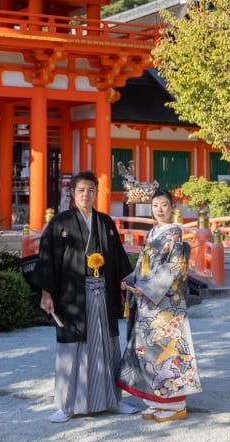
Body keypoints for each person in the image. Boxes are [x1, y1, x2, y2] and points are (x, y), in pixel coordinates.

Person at [36, 170, 139, 423]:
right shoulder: (60, 223)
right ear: (73, 193)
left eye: (91, 190)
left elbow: (118, 259)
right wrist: (46, 293)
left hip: (103, 293)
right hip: (73, 296)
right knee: (73, 348)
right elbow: (47, 260)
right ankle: (67, 405)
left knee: (106, 346)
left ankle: (112, 401)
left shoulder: (105, 223)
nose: (86, 195)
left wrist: (127, 286)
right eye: (81, 190)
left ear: (97, 193)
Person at [117, 188, 202, 422]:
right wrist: (130, 280)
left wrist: (145, 288)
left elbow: (173, 267)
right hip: (147, 300)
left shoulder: (174, 232)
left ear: (172, 207)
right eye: (155, 205)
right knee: (149, 352)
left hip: (165, 303)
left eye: (164, 205)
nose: (160, 209)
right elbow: (143, 265)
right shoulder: (153, 232)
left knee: (168, 351)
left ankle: (175, 405)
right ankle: (156, 402)